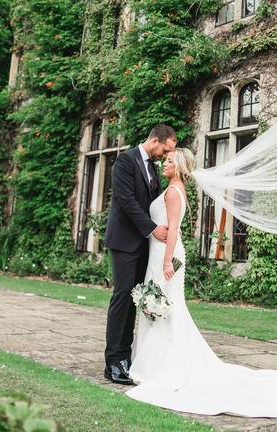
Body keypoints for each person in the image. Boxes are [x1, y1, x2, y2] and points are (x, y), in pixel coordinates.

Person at [126, 148, 277, 417]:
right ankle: (153, 362)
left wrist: (166, 261)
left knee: (164, 309)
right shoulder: (175, 188)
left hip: (166, 255)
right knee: (164, 309)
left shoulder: (173, 192)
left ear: (180, 166)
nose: (164, 164)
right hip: (161, 253)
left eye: (170, 161)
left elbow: (173, 229)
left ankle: (158, 366)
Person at [103, 123, 176, 385]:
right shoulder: (125, 161)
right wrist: (153, 229)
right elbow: (127, 201)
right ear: (155, 140)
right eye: (165, 150)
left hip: (144, 245)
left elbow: (151, 204)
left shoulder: (152, 169)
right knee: (122, 297)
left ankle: (125, 358)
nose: (164, 156)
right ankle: (112, 361)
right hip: (124, 241)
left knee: (135, 299)